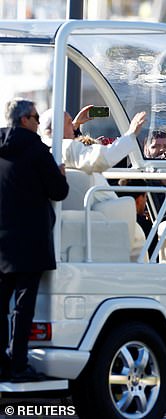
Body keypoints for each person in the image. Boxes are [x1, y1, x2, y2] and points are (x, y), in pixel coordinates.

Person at [0, 98, 69, 381]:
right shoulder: (36, 150)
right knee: (23, 308)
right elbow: (58, 192)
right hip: (30, 240)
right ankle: (18, 365)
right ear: (25, 120)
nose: (40, 123)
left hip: (2, 241)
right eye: (36, 117)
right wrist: (62, 176)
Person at [40, 108, 148, 204]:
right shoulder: (65, 147)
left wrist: (75, 124)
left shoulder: (45, 149)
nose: (73, 126)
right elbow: (102, 158)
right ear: (57, 128)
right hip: (102, 214)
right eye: (69, 123)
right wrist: (131, 133)